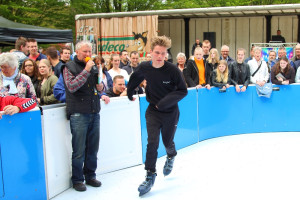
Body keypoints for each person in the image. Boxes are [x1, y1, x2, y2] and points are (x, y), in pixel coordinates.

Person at [127, 35, 188, 196]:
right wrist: (129, 92)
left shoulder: (173, 70)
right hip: (153, 111)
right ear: (151, 53)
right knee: (152, 142)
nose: (160, 56)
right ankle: (149, 174)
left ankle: (171, 155)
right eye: (157, 53)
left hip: (170, 112)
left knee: (167, 140)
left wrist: (164, 102)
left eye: (163, 53)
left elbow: (183, 90)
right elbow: (135, 78)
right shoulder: (144, 67)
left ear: (166, 54)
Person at [63, 41, 103, 192]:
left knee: (93, 147)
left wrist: (101, 87)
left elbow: (96, 87)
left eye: (90, 51)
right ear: (77, 52)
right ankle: (78, 179)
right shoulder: (68, 67)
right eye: (85, 51)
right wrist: (86, 70)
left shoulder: (93, 66)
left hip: (94, 111)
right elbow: (72, 86)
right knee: (79, 149)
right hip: (79, 113)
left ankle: (90, 175)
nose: (88, 54)